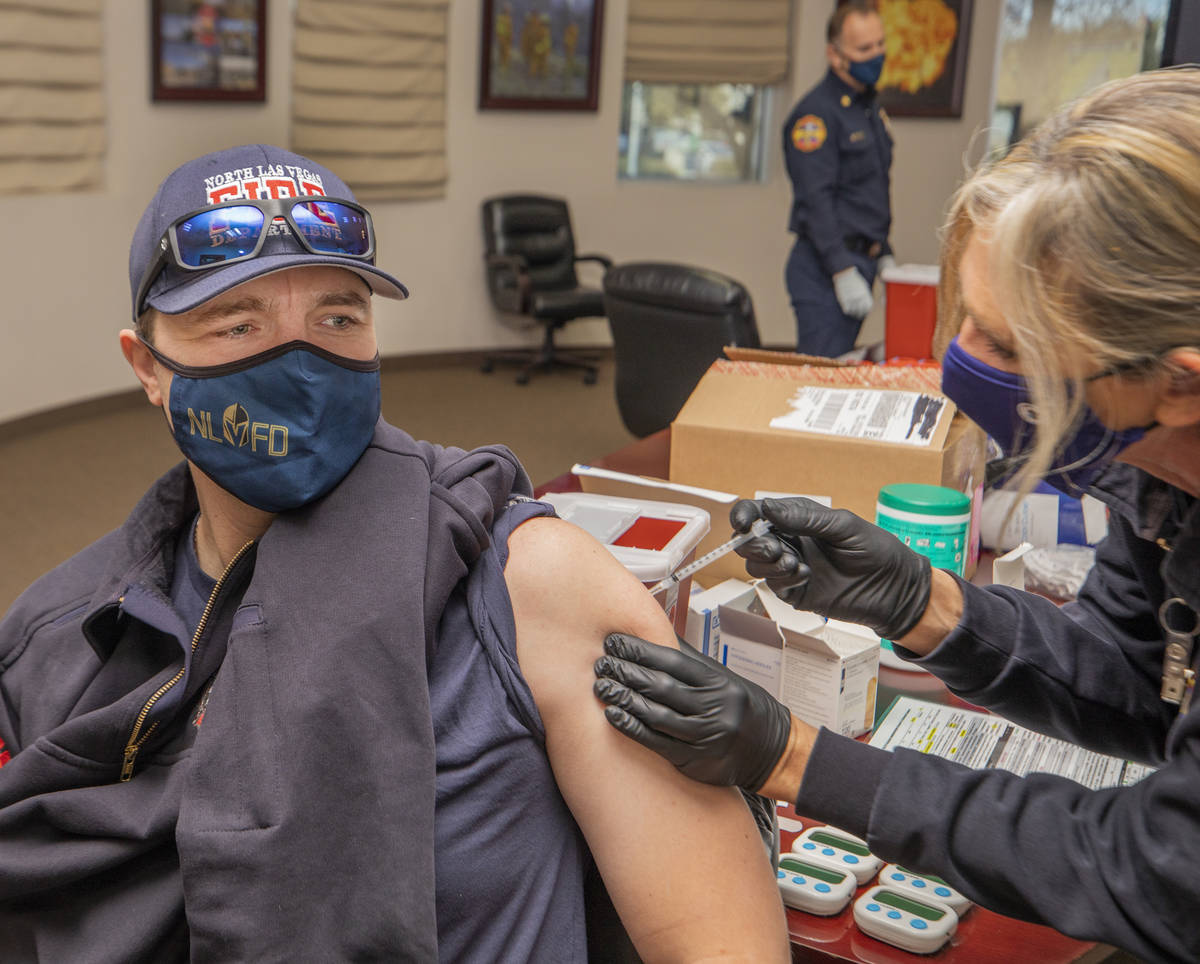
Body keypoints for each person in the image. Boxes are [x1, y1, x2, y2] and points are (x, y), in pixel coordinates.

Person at [0, 144, 789, 962]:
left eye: (337, 319)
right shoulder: (66, 631)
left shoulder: (536, 587)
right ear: (146, 367)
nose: (300, 365)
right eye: (237, 323)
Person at [594, 67, 1200, 963]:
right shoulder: (1162, 477)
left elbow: (1165, 868)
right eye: (968, 322)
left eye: (1005, 342)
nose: (961, 362)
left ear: (1179, 379)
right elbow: (1141, 680)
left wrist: (797, 759)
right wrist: (921, 602)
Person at [783, 0, 895, 358]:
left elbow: (867, 193)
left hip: (862, 260)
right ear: (835, 55)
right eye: (864, 48)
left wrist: (885, 253)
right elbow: (816, 199)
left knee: (843, 373)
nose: (876, 54)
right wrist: (842, 271)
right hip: (826, 270)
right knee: (820, 381)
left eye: (880, 44)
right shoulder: (815, 116)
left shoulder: (868, 108)